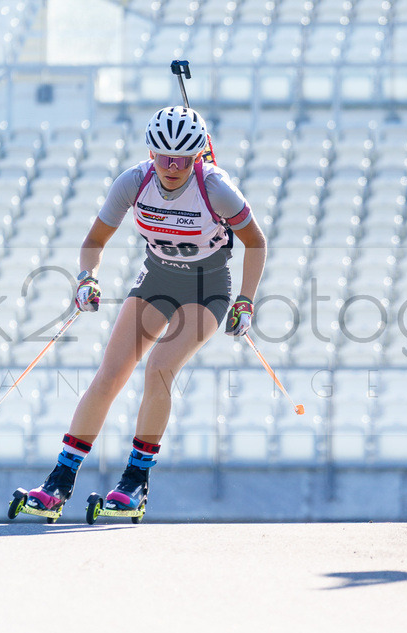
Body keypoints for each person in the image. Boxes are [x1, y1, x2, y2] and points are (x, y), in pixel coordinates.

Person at [24, 106, 266, 515]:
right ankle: (60, 481)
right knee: (111, 373)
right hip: (157, 279)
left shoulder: (217, 188)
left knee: (159, 367)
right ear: (150, 152)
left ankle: (135, 481)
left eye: (183, 158)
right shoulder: (134, 182)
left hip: (207, 288)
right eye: (163, 156)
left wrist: (245, 300)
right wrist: (87, 277)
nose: (172, 166)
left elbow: (255, 243)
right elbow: (94, 241)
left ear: (199, 155)